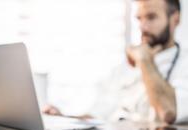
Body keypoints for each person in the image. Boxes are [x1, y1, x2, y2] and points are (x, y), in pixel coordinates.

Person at [43, 0, 188, 124]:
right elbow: (96, 116)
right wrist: (63, 118)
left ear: (175, 19)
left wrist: (144, 60)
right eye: (139, 19)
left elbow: (169, 112)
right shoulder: (123, 69)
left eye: (151, 17)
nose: (142, 27)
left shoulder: (183, 63)